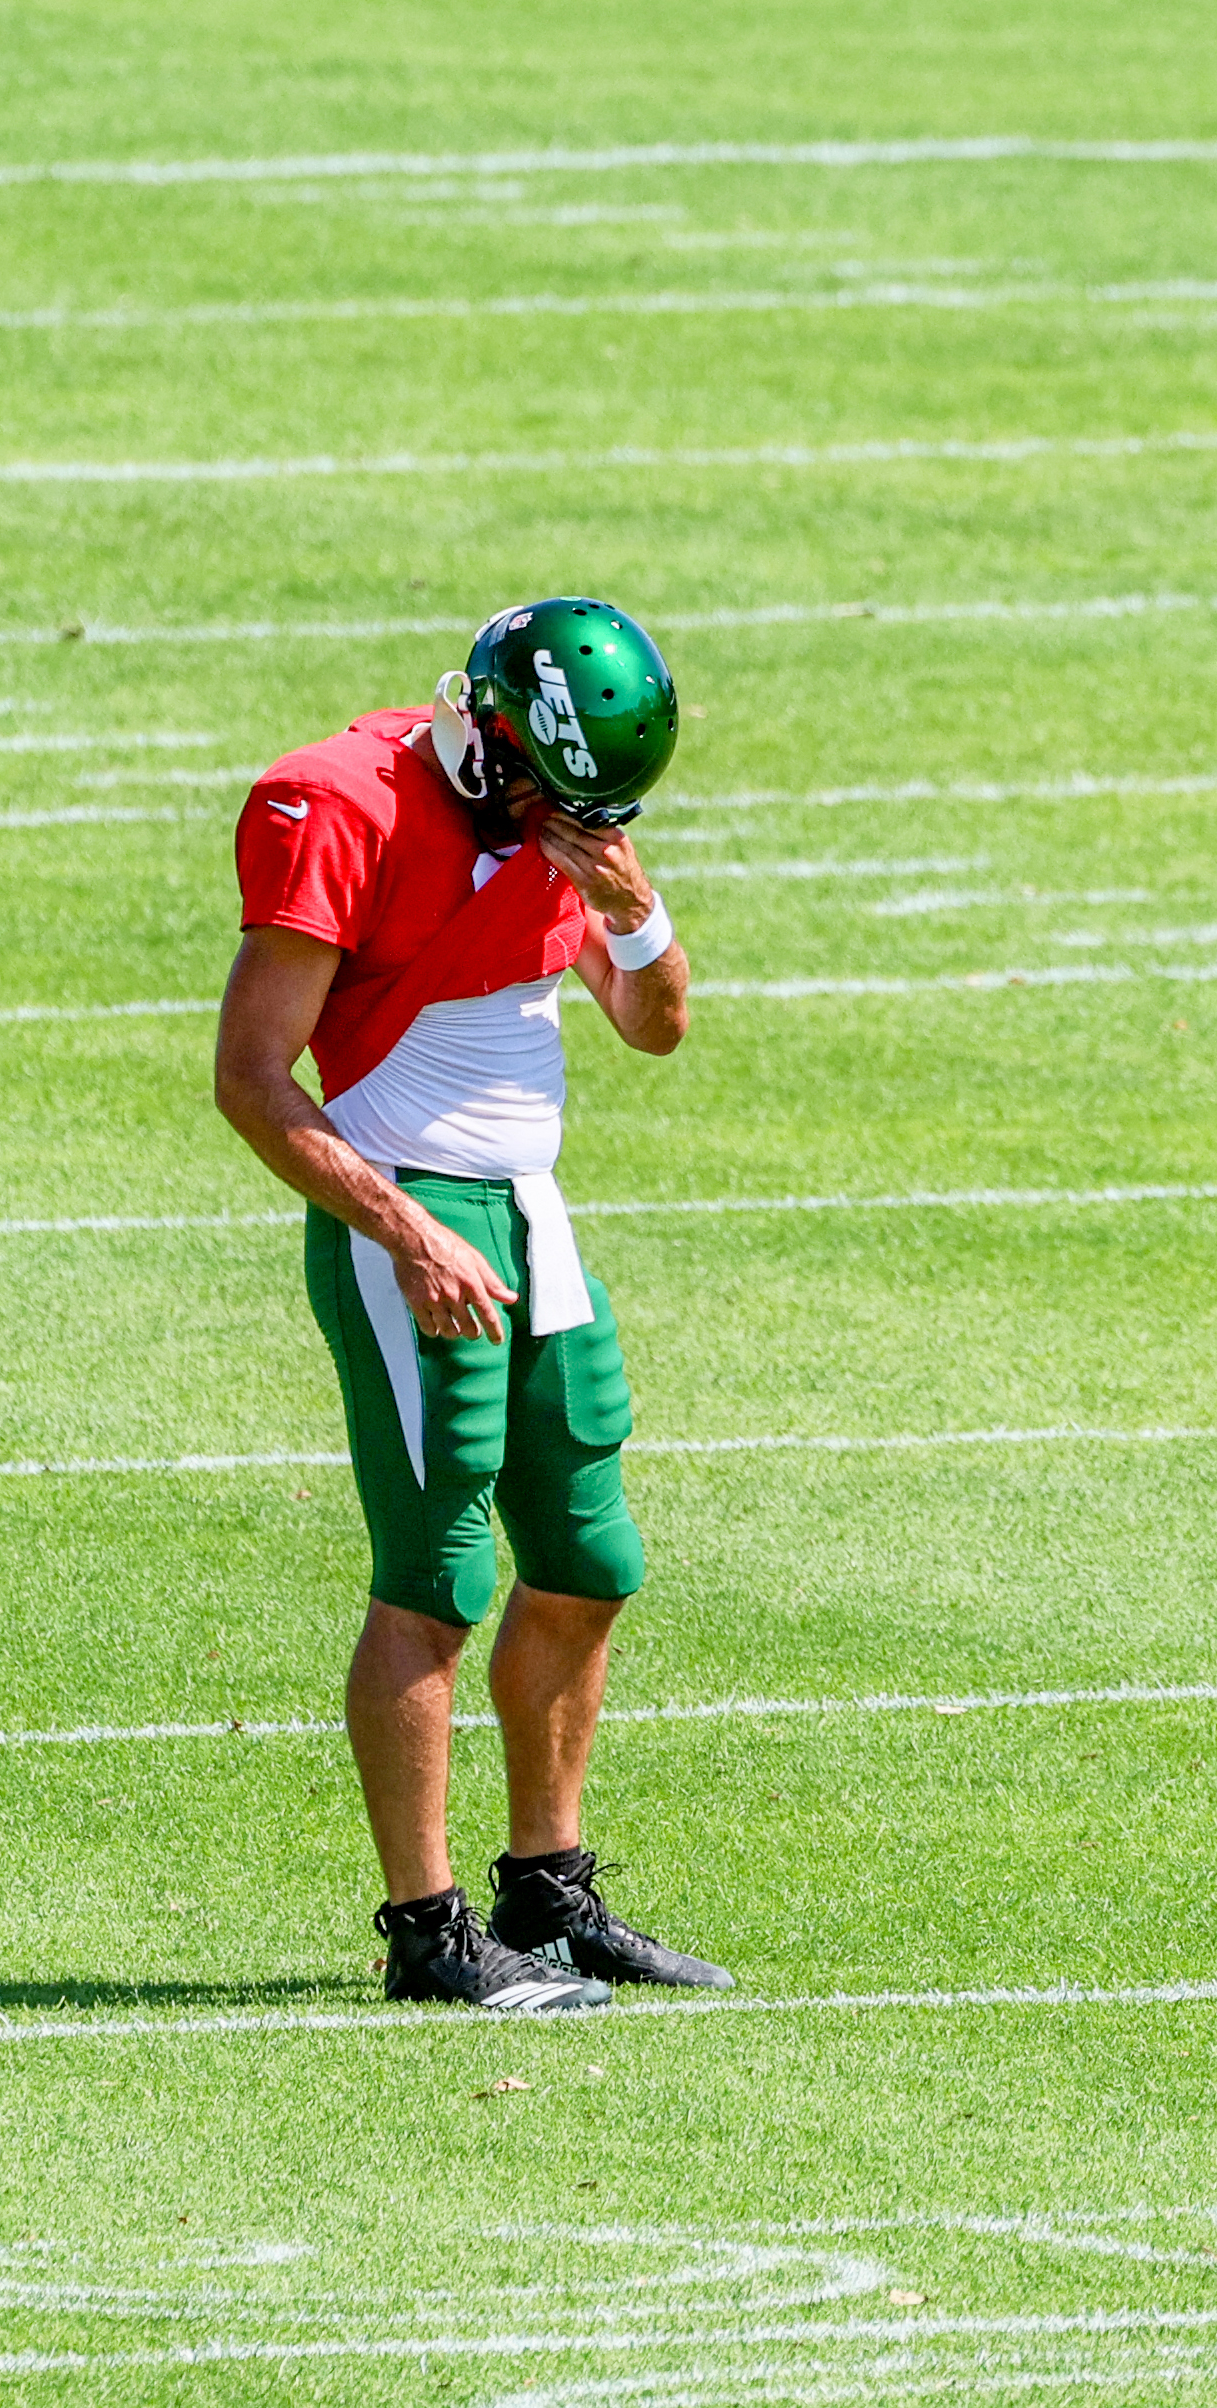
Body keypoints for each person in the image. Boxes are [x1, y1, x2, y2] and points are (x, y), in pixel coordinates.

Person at [210, 598, 734, 2013]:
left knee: (586, 1560)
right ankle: (425, 1928)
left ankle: (546, 1894)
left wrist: (637, 914)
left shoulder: (559, 821)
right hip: (411, 1208)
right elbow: (252, 1078)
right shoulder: (343, 802)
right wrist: (399, 1229)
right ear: (485, 729)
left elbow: (655, 1025)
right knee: (435, 1579)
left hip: (535, 1215)